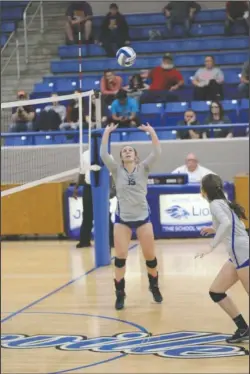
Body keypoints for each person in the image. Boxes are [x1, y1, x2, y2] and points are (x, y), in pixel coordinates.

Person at [100, 122, 163, 310]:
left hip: (143, 218)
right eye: (124, 151)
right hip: (123, 220)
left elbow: (157, 152)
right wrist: (106, 133)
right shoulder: (116, 170)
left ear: (136, 156)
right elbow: (103, 154)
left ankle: (154, 286)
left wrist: (151, 131)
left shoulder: (143, 168)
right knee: (120, 258)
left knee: (150, 258)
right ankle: (120, 294)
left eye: (130, 150)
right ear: (121, 157)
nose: (127, 152)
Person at [196, 173, 249, 343]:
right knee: (216, 291)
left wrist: (210, 246)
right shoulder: (223, 201)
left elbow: (227, 223)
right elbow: (233, 224)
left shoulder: (215, 204)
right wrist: (213, 229)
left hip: (243, 253)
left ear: (204, 190)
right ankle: (243, 328)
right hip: (237, 255)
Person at [73, 148, 114, 248]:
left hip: (102, 187)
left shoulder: (107, 154)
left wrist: (111, 189)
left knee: (105, 214)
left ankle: (110, 241)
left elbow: (111, 174)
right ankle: (84, 241)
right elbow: (82, 172)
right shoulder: (85, 154)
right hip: (88, 187)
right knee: (87, 215)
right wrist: (76, 187)